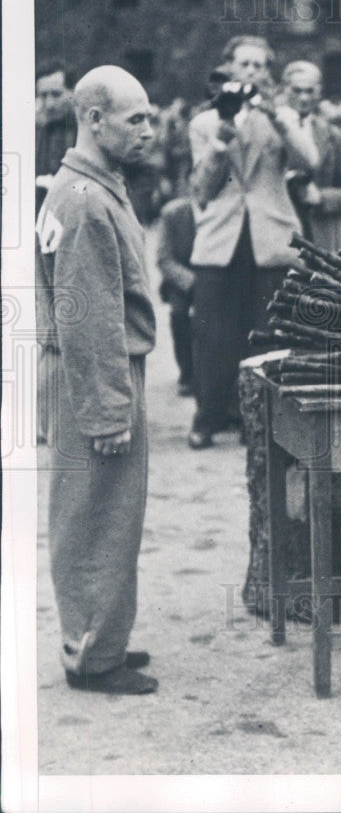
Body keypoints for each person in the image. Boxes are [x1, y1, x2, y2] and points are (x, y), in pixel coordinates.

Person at [36, 65, 158, 694]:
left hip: (92, 369)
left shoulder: (90, 185)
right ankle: (90, 655)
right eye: (135, 118)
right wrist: (110, 412)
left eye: (149, 116)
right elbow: (89, 318)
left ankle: (102, 636)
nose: (149, 129)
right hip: (96, 371)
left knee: (110, 514)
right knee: (95, 518)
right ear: (93, 119)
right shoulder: (83, 200)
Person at [187, 35, 310, 450]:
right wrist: (222, 136)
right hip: (222, 236)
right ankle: (207, 417)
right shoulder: (205, 123)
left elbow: (310, 160)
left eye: (260, 66)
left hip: (270, 235)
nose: (253, 73)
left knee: (268, 332)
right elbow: (202, 189)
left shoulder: (279, 118)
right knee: (212, 333)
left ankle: (257, 420)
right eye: (245, 65)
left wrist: (279, 118)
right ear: (229, 70)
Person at [278, 61, 341, 254]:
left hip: (318, 236)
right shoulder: (267, 131)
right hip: (274, 236)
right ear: (284, 90)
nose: (304, 98)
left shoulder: (334, 138)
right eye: (296, 91)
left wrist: (321, 197)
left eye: (310, 91)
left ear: (319, 92)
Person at [156, 191, 197, 397]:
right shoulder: (173, 213)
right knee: (179, 314)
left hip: (213, 280)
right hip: (181, 282)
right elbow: (164, 259)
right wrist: (191, 282)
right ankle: (187, 372)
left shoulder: (224, 212)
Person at [35, 60, 77, 210]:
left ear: (73, 93)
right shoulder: (38, 130)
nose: (49, 104)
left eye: (56, 94)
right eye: (43, 96)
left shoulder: (87, 131)